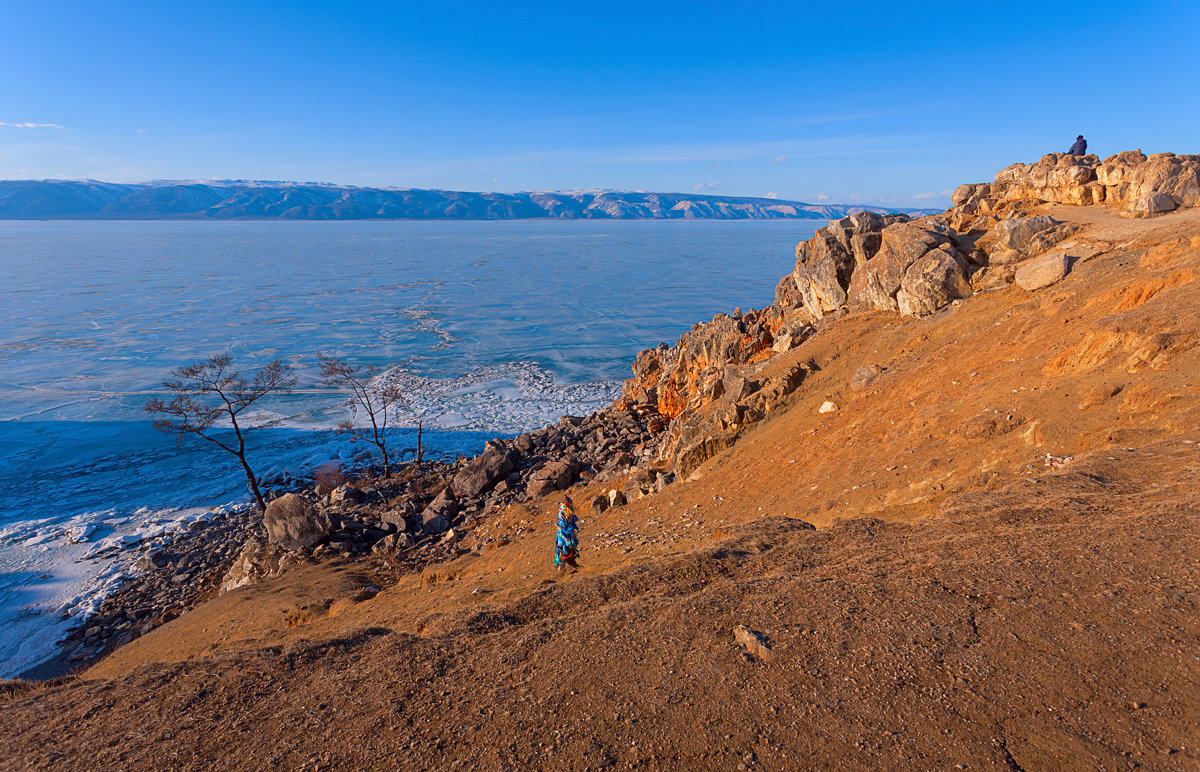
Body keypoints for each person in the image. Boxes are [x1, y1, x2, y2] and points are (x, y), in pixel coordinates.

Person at [554, 496, 579, 573]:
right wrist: (567, 540)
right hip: (563, 538)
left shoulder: (569, 514)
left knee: (570, 552)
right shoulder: (562, 515)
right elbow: (562, 529)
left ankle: (572, 565)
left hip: (569, 536)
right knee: (564, 554)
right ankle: (561, 572)